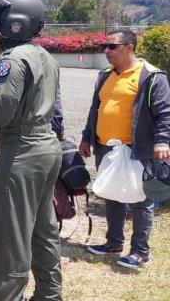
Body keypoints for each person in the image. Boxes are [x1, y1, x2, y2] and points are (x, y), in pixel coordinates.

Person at [0, 0, 62, 301]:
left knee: (9, 233)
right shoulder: (45, 57)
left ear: (14, 25)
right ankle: (49, 294)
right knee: (43, 227)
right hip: (46, 145)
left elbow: (0, 112)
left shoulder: (12, 59)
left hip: (21, 149)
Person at [79, 30, 170, 269]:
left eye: (112, 46)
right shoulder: (104, 75)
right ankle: (113, 243)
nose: (106, 51)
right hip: (106, 148)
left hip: (137, 150)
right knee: (111, 194)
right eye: (104, 46)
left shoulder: (151, 76)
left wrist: (162, 141)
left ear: (129, 48)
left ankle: (140, 252)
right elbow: (95, 109)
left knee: (142, 200)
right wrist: (86, 137)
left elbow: (164, 114)